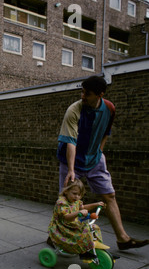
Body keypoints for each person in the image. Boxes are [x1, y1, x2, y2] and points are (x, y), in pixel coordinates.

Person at [57, 75, 148, 250]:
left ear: (100, 94)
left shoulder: (109, 108)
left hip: (95, 158)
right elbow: (70, 141)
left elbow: (106, 131)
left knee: (109, 196)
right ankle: (57, 237)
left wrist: (99, 151)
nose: (83, 96)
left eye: (87, 93)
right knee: (66, 203)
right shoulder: (74, 110)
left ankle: (123, 239)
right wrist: (70, 169)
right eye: (82, 92)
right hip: (72, 159)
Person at [48, 179, 105, 260]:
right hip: (63, 227)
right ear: (66, 191)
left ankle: (98, 249)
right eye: (74, 193)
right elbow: (66, 217)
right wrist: (78, 212)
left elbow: (83, 207)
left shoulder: (76, 201)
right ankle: (83, 252)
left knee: (95, 227)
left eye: (79, 194)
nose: (77, 196)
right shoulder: (62, 203)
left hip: (73, 225)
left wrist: (96, 204)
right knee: (84, 231)